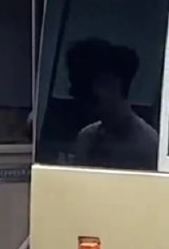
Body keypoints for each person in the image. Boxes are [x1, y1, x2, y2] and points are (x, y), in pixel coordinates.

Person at [66, 38, 158, 171]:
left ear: (112, 82)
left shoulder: (148, 146)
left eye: (83, 86)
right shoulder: (86, 137)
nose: (75, 95)